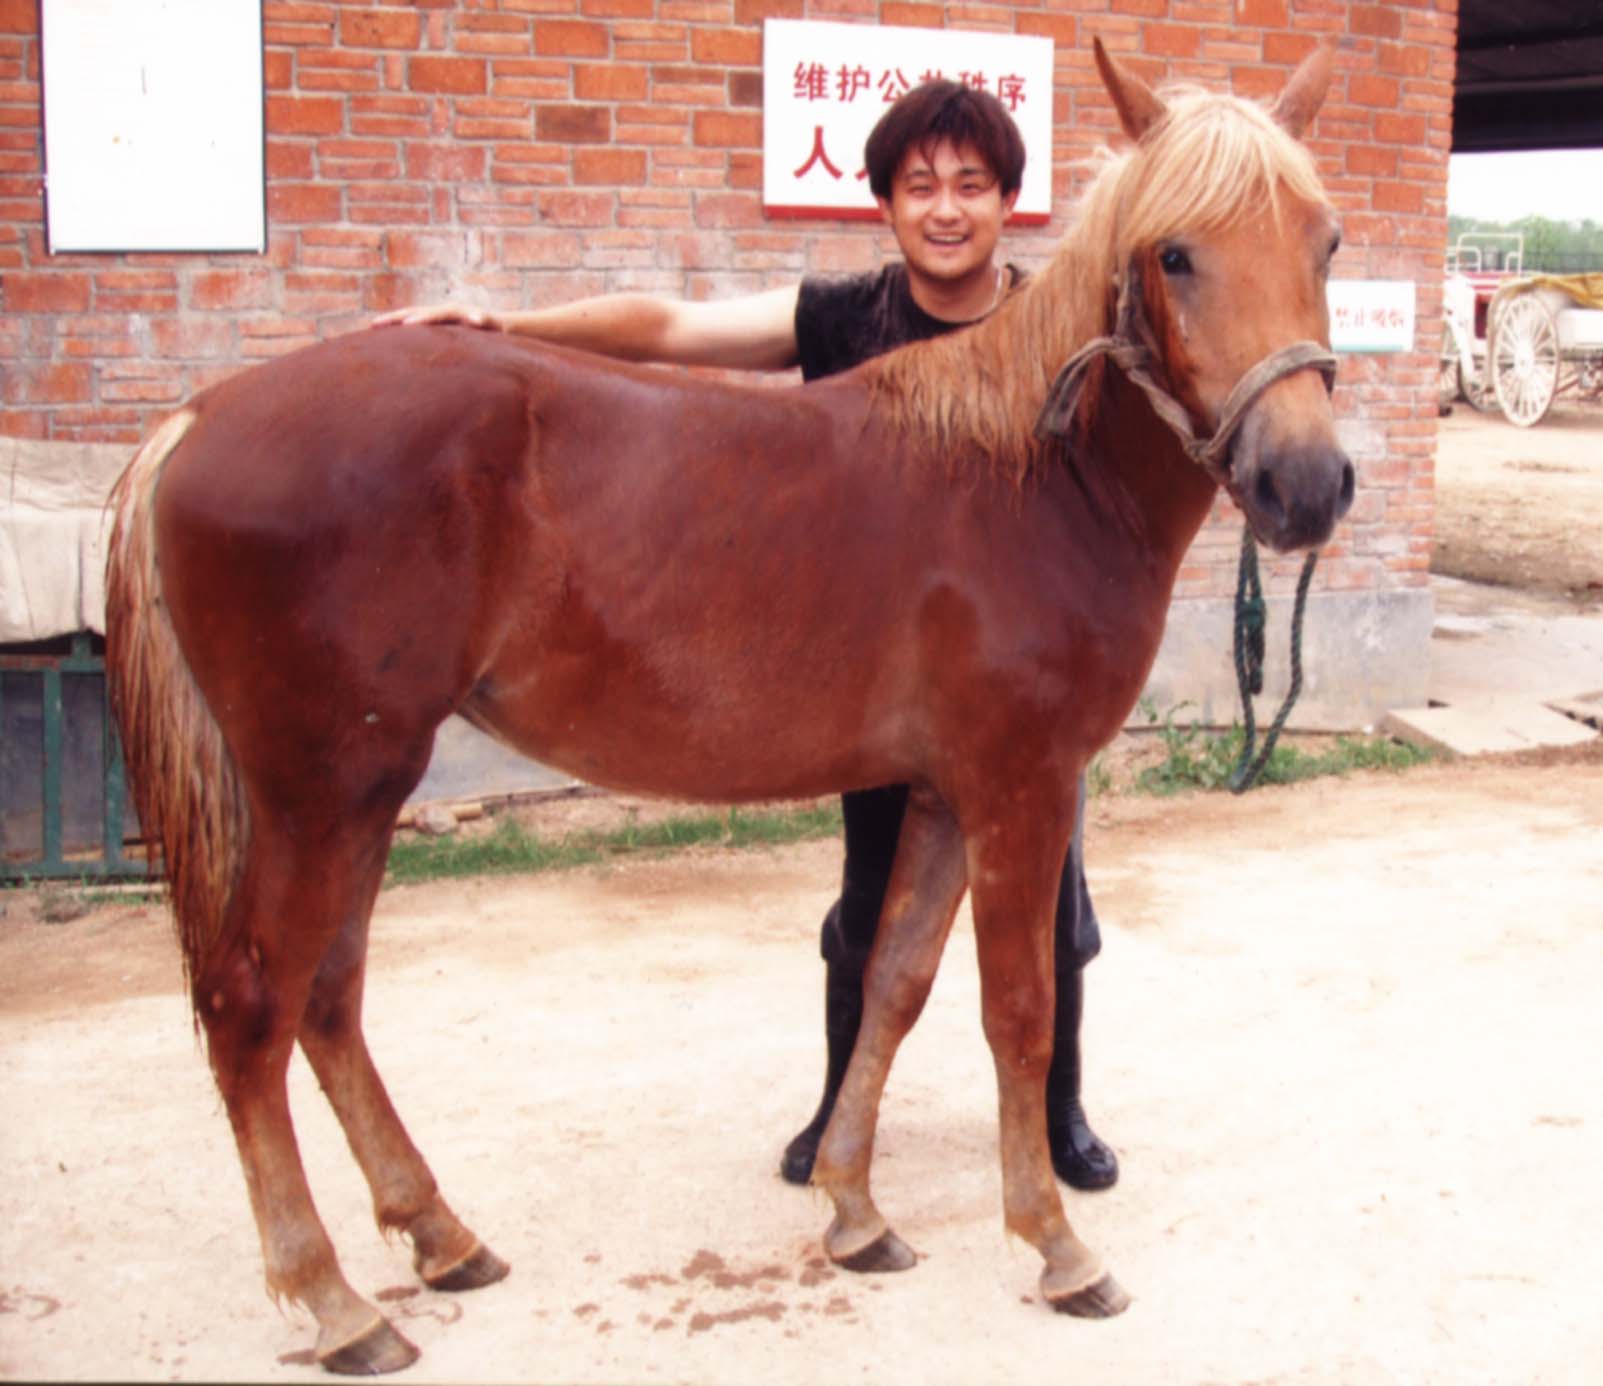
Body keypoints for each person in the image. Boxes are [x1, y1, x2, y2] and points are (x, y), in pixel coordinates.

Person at [372, 81, 1119, 1192]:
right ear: (884, 205)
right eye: (920, 188)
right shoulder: (844, 317)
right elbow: (671, 330)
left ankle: (1059, 1110)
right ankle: (839, 1108)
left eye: (971, 185)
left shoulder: (1060, 326)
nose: (946, 208)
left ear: (1010, 198)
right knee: (870, 904)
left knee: (1053, 909)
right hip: (883, 659)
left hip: (1019, 671)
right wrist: (507, 326)